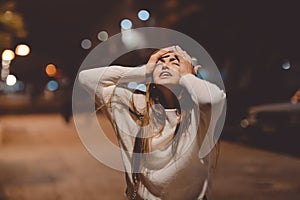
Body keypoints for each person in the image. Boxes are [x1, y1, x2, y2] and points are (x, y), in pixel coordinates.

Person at [79, 46, 226, 200]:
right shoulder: (137, 106)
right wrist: (144, 71)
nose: (165, 65)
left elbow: (213, 99)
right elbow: (86, 78)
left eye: (175, 62)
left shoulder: (199, 115)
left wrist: (188, 76)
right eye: (159, 62)